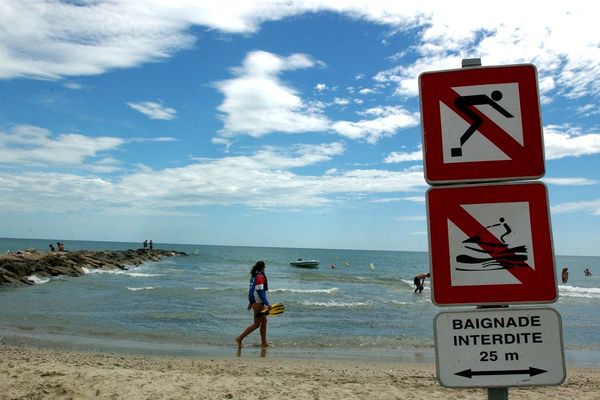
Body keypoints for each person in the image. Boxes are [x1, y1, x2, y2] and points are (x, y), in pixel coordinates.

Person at [236, 261, 271, 348]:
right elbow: (259, 291)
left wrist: (250, 303)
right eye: (265, 267)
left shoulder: (254, 276)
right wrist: (267, 303)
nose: (265, 269)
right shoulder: (259, 277)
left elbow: (251, 291)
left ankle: (264, 342)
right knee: (256, 324)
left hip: (256, 303)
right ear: (263, 267)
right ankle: (239, 338)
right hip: (259, 303)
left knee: (263, 322)